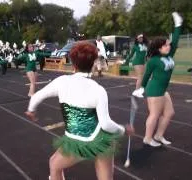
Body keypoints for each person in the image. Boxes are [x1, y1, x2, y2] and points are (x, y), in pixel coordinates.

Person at [25, 42, 134, 180]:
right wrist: (123, 130)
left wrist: (31, 110)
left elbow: (37, 96)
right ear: (94, 63)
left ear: (73, 64)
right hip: (101, 139)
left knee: (54, 165)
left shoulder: (62, 82)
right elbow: (106, 124)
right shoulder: (98, 90)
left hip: (76, 139)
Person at [132, 12, 183, 147]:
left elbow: (176, 40)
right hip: (154, 90)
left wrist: (178, 25)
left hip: (163, 90)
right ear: (159, 48)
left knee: (169, 113)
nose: (168, 46)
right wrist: (141, 88)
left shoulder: (169, 55)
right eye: (165, 45)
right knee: (154, 115)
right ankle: (147, 138)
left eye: (168, 45)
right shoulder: (154, 60)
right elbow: (146, 75)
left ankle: (158, 135)